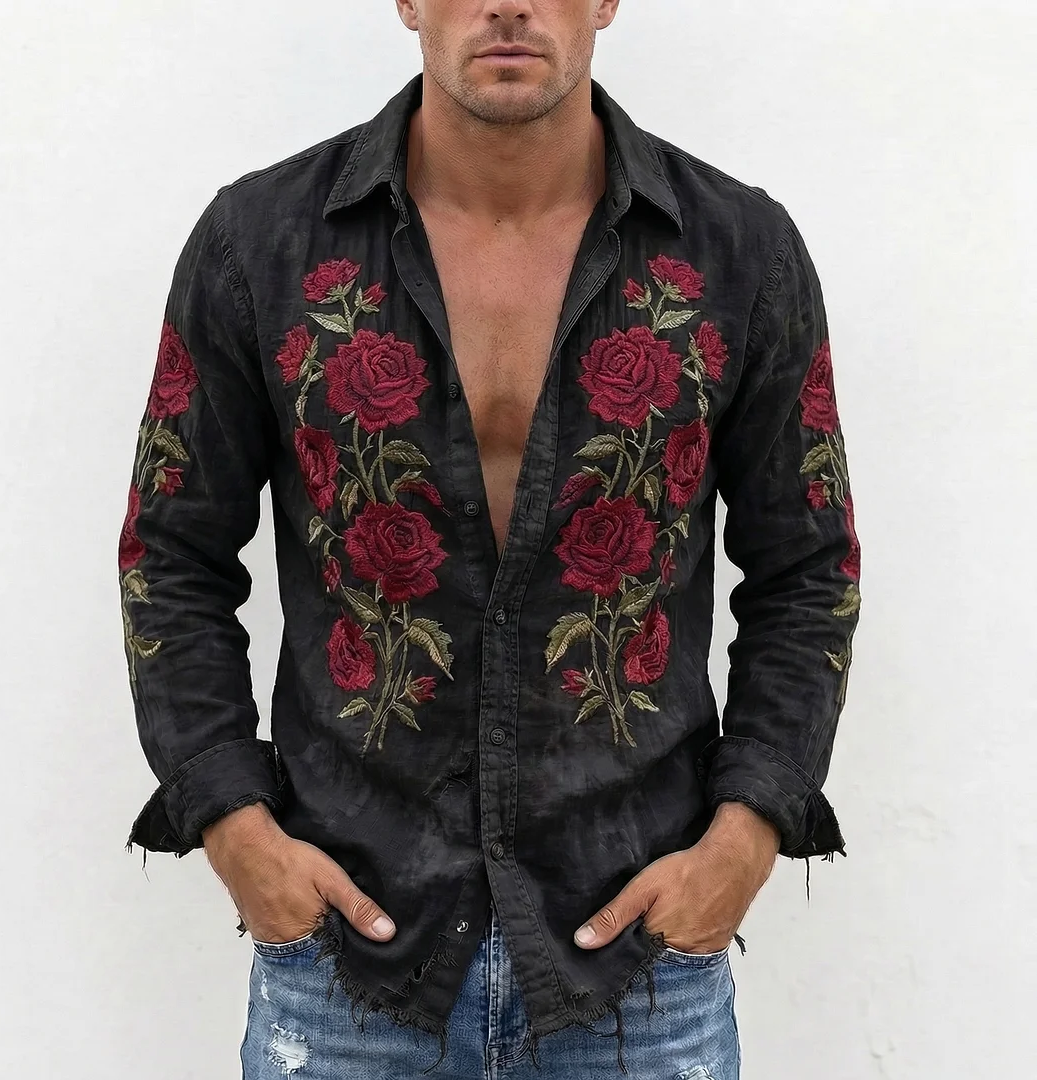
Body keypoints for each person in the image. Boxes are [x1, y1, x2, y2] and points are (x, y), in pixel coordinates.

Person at [118, 2, 861, 1077]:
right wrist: (235, 827)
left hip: (643, 967)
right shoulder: (259, 243)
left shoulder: (741, 252)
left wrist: (746, 838)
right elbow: (170, 553)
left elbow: (809, 568)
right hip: (347, 962)